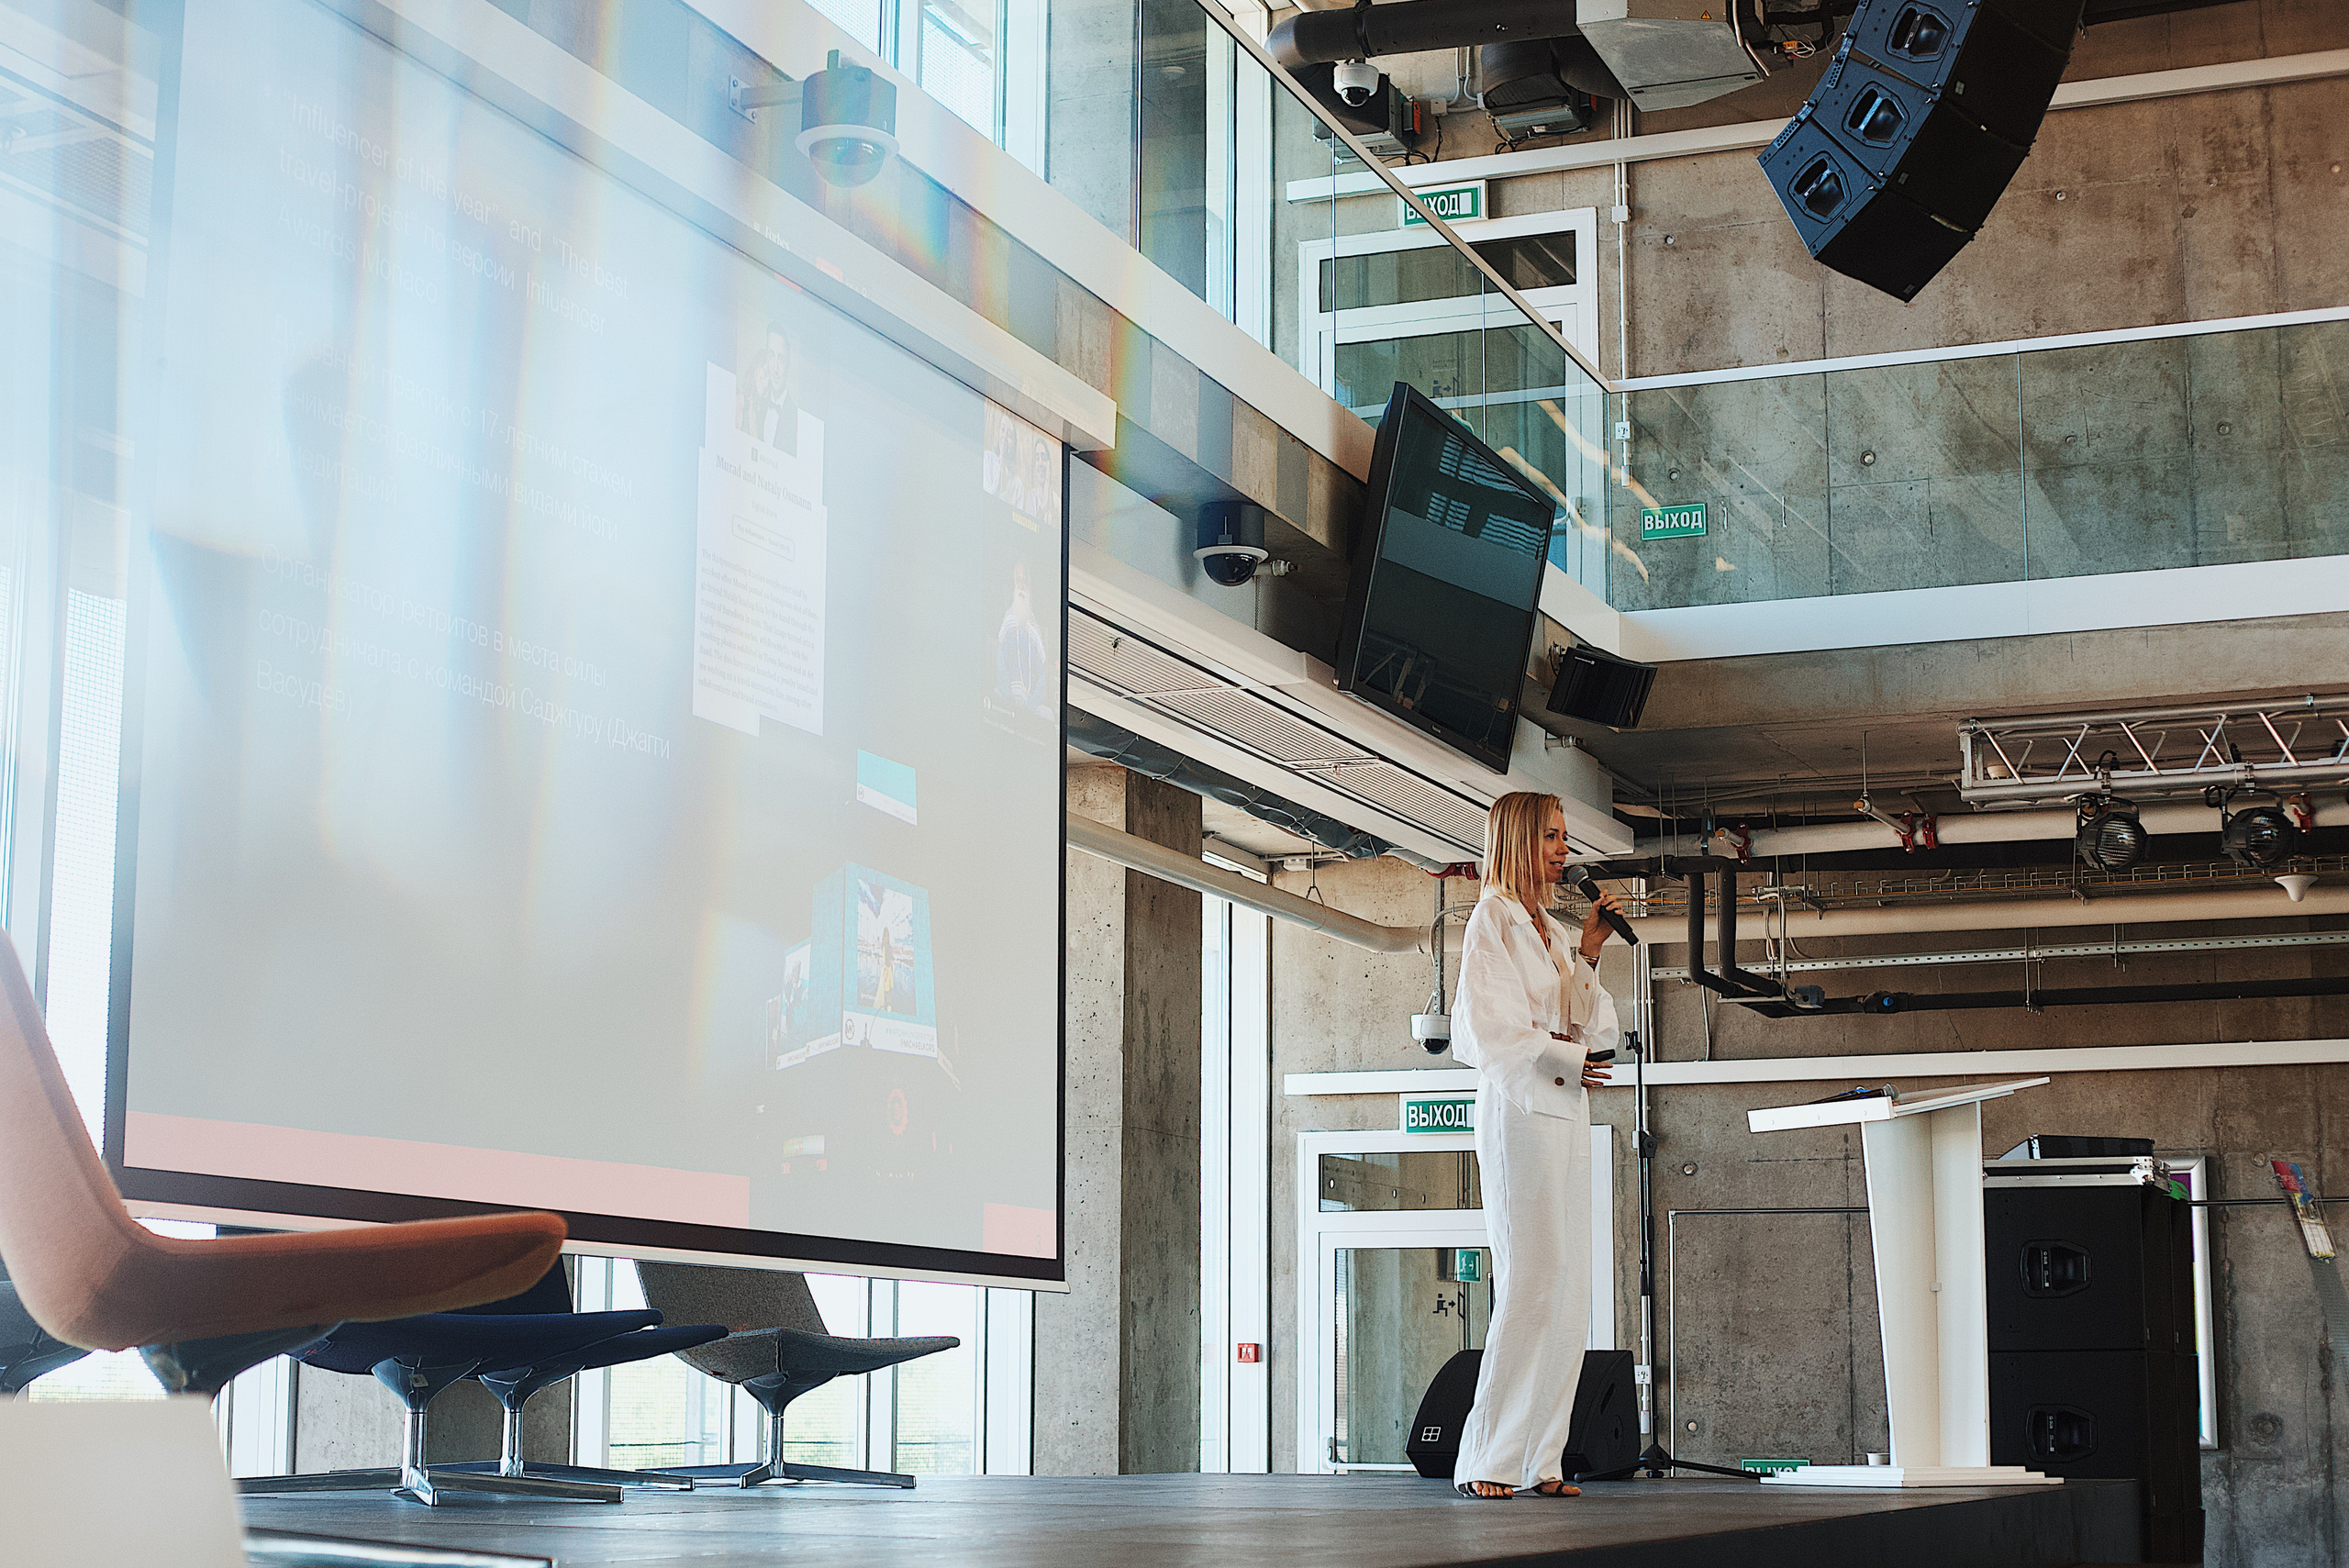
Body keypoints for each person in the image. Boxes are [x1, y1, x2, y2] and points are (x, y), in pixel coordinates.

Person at [1447, 791, 1625, 1499]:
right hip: (1521, 1107)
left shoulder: (1548, 927)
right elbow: (1488, 1029)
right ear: (1520, 839)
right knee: (1529, 1275)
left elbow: (1589, 1019)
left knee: (1568, 1283)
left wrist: (1587, 950)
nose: (1563, 849)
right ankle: (1486, 1457)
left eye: (1564, 836)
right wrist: (1562, 1057)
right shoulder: (1491, 917)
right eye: (1551, 836)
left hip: (1564, 1109)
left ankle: (1540, 1456)